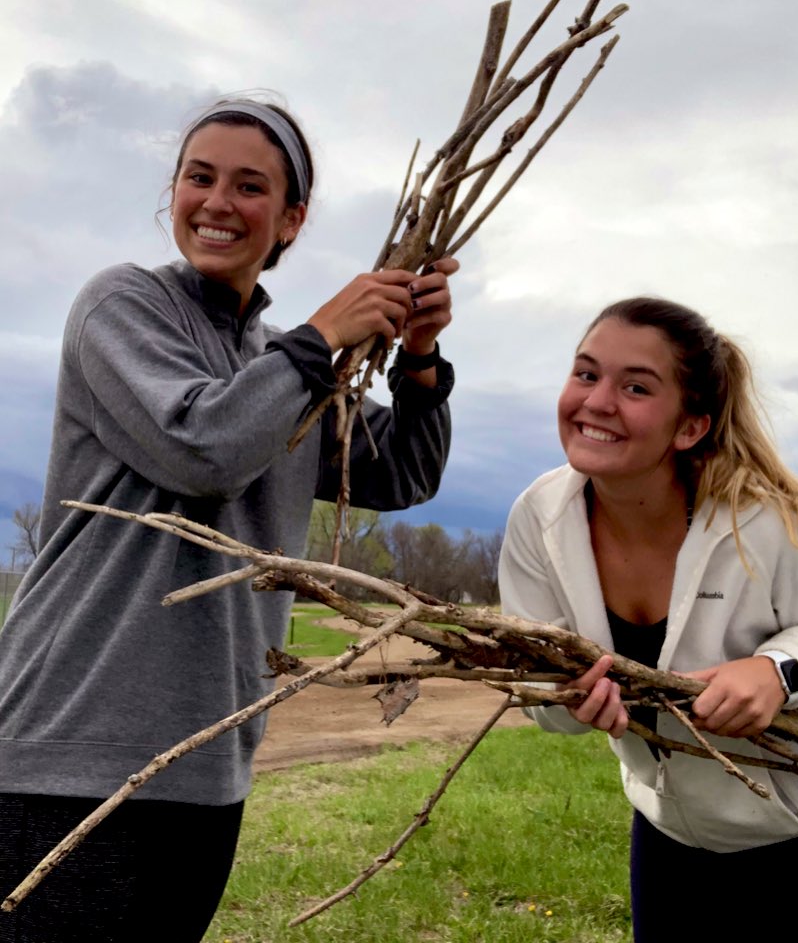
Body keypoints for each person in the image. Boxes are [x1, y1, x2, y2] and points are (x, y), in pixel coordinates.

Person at [0, 96, 459, 941]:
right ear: (171, 192)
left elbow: (400, 472)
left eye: (249, 186)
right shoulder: (122, 307)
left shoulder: (280, 362)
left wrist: (419, 363)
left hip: (207, 762)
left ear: (291, 219)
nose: (216, 202)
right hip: (73, 751)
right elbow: (202, 446)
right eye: (198, 177)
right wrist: (321, 339)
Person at [498, 297, 798, 941]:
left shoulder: (772, 525)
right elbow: (532, 683)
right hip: (668, 835)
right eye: (586, 373)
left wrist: (781, 672)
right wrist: (563, 701)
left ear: (690, 427)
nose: (597, 402)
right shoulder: (540, 520)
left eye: (635, 387)